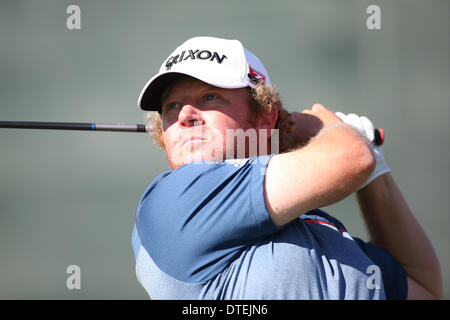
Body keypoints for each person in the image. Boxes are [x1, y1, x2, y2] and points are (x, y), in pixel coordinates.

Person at [131, 36, 443, 299]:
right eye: (172, 106)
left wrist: (376, 172)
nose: (185, 115)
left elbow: (425, 290)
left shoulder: (318, 226)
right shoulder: (173, 199)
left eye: (210, 97)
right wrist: (333, 129)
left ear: (265, 116)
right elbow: (351, 158)